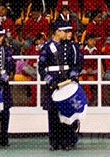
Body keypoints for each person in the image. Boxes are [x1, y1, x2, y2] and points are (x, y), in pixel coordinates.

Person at [38, 20, 81, 151]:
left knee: (66, 113)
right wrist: (50, 80)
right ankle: (54, 142)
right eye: (65, 31)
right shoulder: (47, 47)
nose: (67, 33)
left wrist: (72, 75)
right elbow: (41, 68)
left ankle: (66, 141)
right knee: (52, 113)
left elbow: (75, 64)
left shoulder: (69, 46)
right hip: (53, 83)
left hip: (66, 82)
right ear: (57, 32)